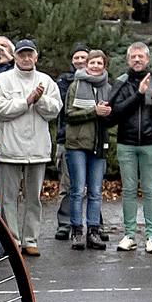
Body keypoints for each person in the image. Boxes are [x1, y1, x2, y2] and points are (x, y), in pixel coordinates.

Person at [0, 39, 61, 256]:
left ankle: (31, 240)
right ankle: (12, 240)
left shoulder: (46, 81)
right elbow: (0, 109)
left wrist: (39, 100)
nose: (26, 58)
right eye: (22, 54)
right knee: (8, 198)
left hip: (37, 150)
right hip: (9, 149)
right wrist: (27, 100)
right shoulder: (2, 80)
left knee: (34, 198)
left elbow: (55, 110)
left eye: (30, 54)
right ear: (15, 57)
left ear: (36, 57)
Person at [110, 42, 152, 254]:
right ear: (127, 60)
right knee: (129, 190)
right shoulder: (122, 82)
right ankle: (129, 235)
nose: (137, 60)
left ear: (147, 60)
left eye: (140, 57)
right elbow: (115, 113)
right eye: (133, 56)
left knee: (151, 190)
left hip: (151, 143)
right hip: (127, 143)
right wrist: (138, 94)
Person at [64, 50, 114, 250]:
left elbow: (112, 117)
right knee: (77, 190)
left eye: (99, 63)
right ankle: (77, 230)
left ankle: (93, 230)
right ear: (86, 65)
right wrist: (94, 111)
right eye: (91, 62)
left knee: (95, 191)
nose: (95, 66)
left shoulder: (109, 88)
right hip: (77, 144)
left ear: (104, 66)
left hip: (98, 144)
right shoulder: (76, 85)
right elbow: (68, 114)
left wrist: (107, 113)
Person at [53, 45, 89, 240]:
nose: (80, 60)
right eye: (76, 57)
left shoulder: (99, 81)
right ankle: (65, 223)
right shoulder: (64, 81)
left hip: (91, 140)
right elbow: (64, 108)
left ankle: (93, 223)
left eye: (84, 56)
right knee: (67, 184)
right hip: (67, 138)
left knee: (91, 185)